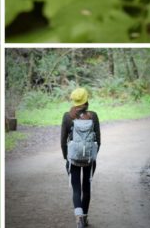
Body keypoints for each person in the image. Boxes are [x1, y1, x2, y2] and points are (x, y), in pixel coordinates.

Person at [61, 88, 101, 228]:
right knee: (87, 187)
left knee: (76, 189)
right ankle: (85, 219)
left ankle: (78, 218)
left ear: (73, 100)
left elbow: (63, 141)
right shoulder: (93, 116)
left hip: (74, 158)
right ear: (86, 100)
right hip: (89, 159)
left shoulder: (68, 116)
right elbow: (98, 140)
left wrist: (67, 158)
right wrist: (92, 156)